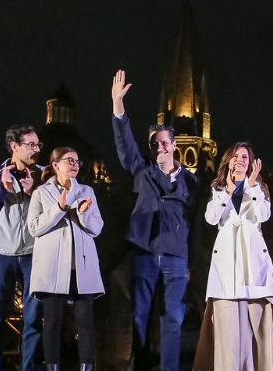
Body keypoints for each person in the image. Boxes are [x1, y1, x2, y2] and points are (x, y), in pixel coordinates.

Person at [111, 70, 199, 371]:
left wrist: (190, 263)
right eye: (153, 144)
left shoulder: (192, 181)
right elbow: (126, 147)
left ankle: (170, 368)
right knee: (140, 314)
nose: (158, 148)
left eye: (163, 143)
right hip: (144, 252)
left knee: (173, 317)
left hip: (175, 255)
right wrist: (118, 107)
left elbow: (195, 224)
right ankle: (139, 365)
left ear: (173, 145)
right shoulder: (142, 173)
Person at [193, 142, 273, 371]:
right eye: (235, 156)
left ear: (251, 163)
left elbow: (263, 214)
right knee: (229, 336)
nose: (240, 160)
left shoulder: (260, 189)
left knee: (257, 332)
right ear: (228, 162)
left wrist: (252, 186)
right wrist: (229, 192)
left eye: (244, 156)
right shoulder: (218, 189)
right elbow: (211, 218)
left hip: (253, 267)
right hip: (227, 268)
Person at [27, 147, 104, 371]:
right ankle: (52, 367)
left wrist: (83, 213)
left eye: (78, 161)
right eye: (69, 160)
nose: (75, 165)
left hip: (82, 266)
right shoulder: (42, 193)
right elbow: (34, 228)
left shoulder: (86, 190)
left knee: (86, 322)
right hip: (52, 267)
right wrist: (59, 207)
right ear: (55, 165)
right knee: (51, 322)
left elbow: (97, 228)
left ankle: (87, 367)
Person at [0, 125, 45, 371]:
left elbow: (51, 210)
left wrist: (32, 190)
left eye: (38, 144)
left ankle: (29, 367)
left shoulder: (42, 173)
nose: (36, 149)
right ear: (14, 147)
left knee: (33, 319)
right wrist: (5, 188)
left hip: (33, 254)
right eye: (31, 144)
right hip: (1, 254)